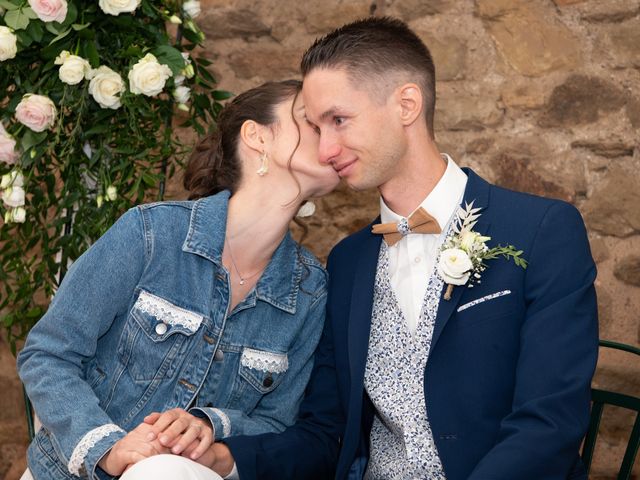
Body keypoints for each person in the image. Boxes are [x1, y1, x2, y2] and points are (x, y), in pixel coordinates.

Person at [213, 17, 599, 480]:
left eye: (339, 120)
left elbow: (550, 423)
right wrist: (226, 459)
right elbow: (327, 430)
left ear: (407, 104)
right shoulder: (348, 261)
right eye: (316, 128)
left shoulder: (541, 230)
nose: (326, 149)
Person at [17, 79, 340, 480]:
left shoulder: (310, 289)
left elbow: (279, 425)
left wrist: (210, 424)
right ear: (258, 136)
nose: (332, 138)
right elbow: (49, 353)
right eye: (313, 123)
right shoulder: (151, 234)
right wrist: (108, 447)